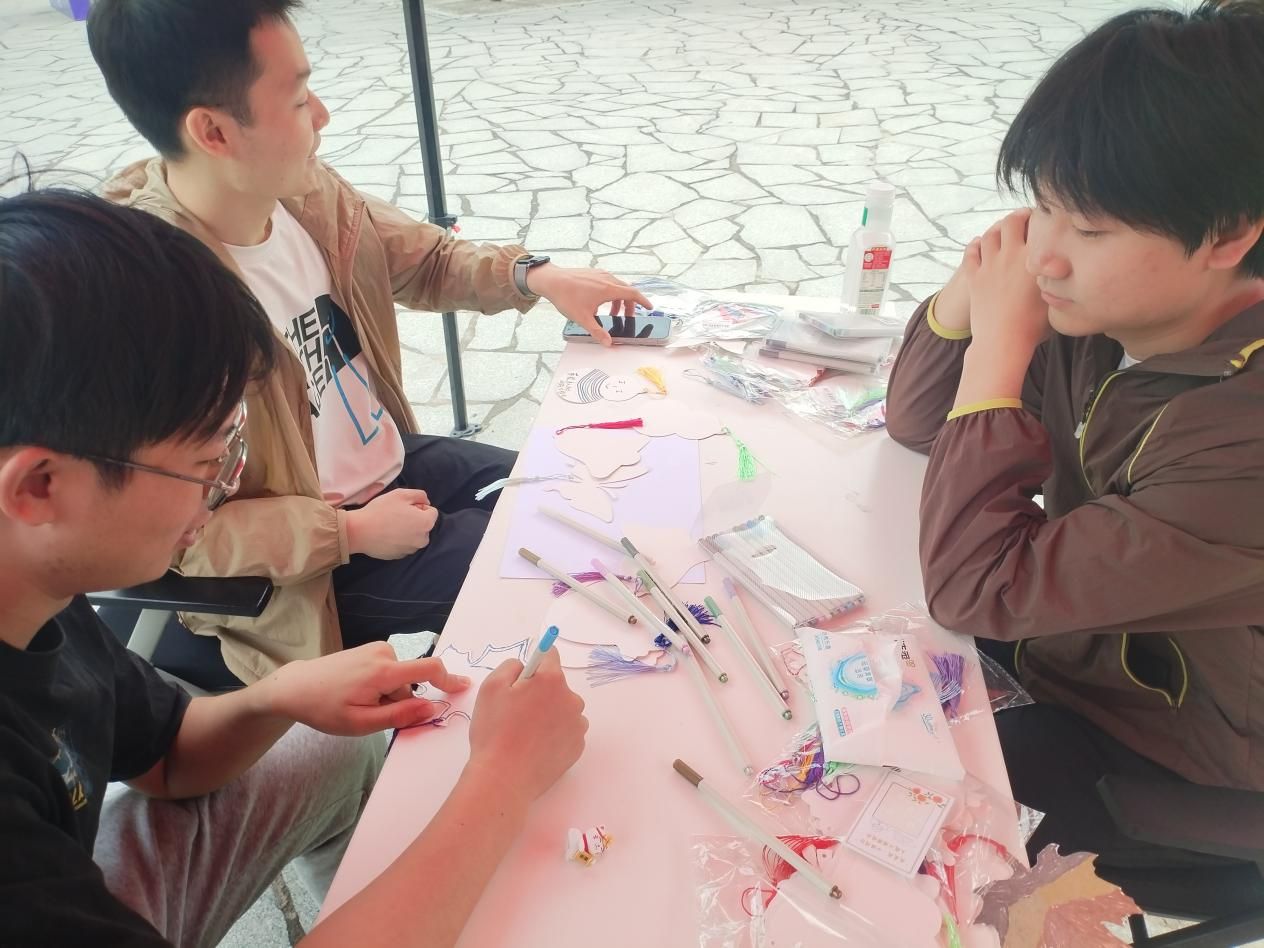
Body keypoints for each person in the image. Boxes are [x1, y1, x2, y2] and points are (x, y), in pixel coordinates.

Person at [0, 189, 588, 946]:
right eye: (209, 466)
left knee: (328, 745)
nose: (223, 492)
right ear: (39, 487)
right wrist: (502, 777)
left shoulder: (35, 587)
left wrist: (278, 696)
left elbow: (166, 756)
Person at [85, 0, 653, 684]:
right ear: (213, 131)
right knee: (562, 579)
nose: (322, 115)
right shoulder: (149, 303)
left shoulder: (304, 193)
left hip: (387, 462)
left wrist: (536, 276)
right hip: (310, 568)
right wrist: (349, 533)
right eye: (299, 99)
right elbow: (183, 538)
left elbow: (427, 260)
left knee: (578, 498)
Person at [885, 0, 1264, 873]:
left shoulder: (1243, 437)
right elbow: (914, 422)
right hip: (1068, 649)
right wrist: (966, 296)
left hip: (1188, 766)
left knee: (893, 812)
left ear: (1230, 235)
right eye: (1041, 208)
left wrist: (999, 346)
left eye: (1089, 228)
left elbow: (976, 587)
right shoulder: (1114, 307)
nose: (1044, 257)